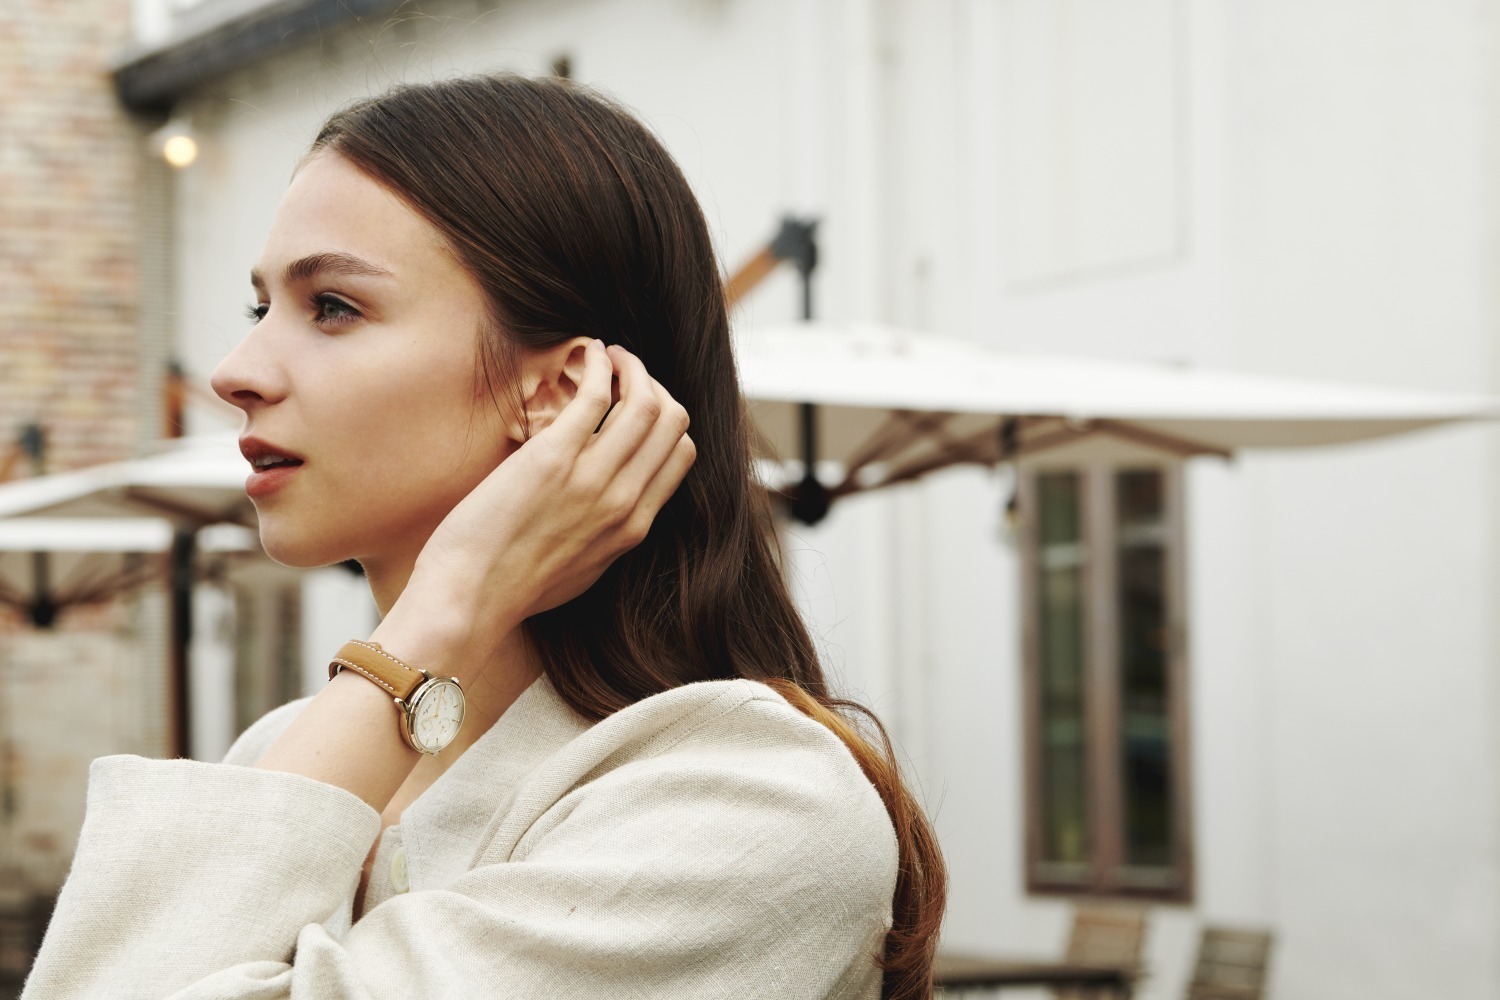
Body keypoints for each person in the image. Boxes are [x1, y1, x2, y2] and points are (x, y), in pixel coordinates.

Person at [22, 74, 945, 999]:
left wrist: (443, 609)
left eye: (333, 307)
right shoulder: (288, 753)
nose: (236, 372)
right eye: (261, 309)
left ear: (557, 394)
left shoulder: (746, 807)